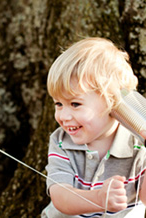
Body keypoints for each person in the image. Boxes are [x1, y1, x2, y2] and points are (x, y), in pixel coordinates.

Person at [42, 37, 146, 217]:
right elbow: (60, 197)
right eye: (58, 104)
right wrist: (98, 198)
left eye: (75, 104)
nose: (63, 116)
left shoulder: (136, 144)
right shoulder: (61, 142)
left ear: (112, 102)